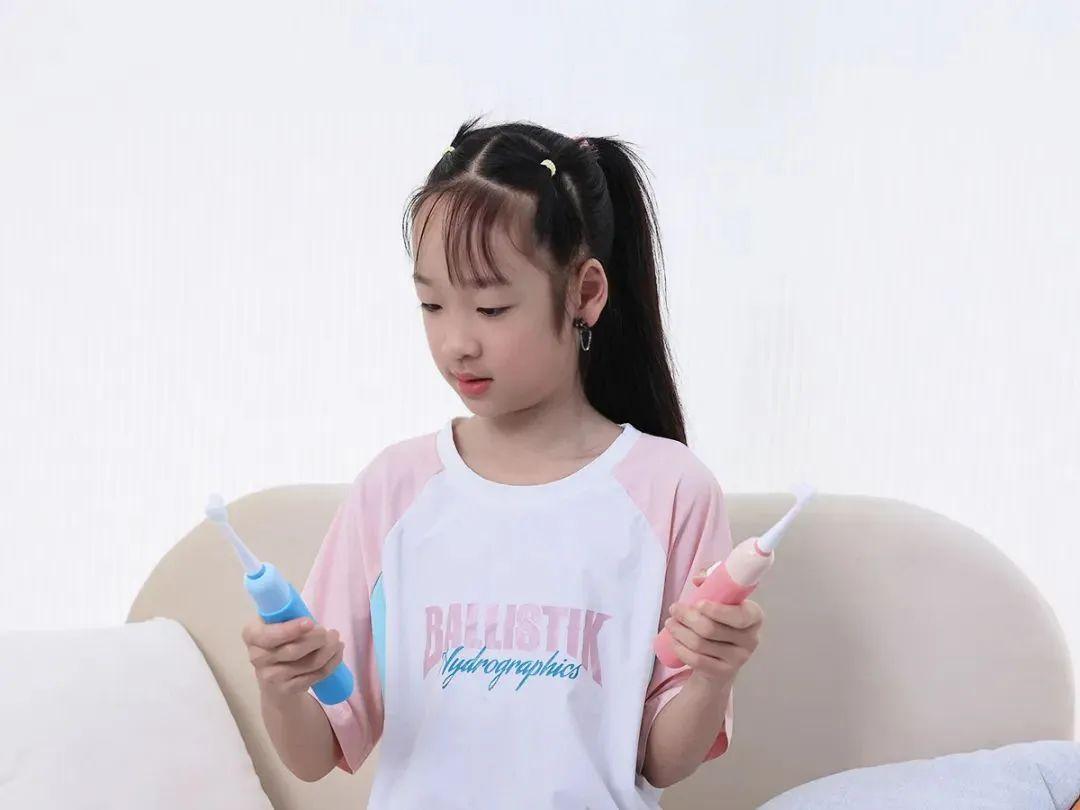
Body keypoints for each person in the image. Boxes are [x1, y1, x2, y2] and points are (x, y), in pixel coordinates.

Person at [241, 116, 765, 808]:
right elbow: (318, 751)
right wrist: (281, 688)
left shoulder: (669, 489)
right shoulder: (394, 490)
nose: (456, 342)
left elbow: (662, 761)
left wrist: (713, 676)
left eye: (490, 307)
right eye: (432, 304)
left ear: (585, 293)